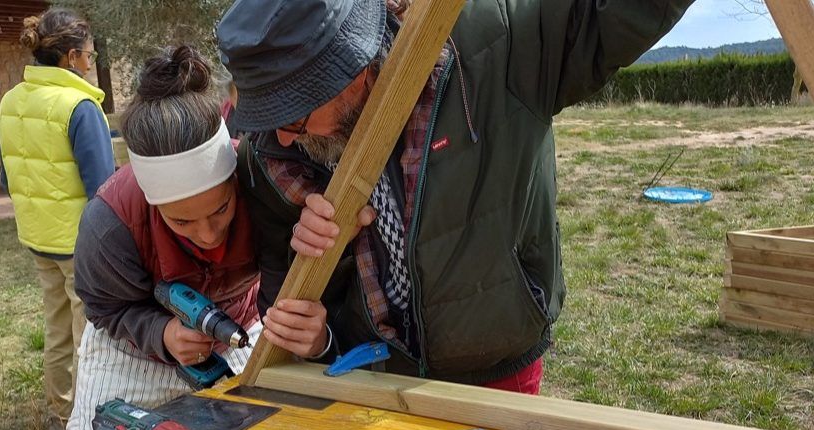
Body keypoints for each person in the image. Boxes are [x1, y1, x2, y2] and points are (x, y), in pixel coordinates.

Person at [218, 0, 692, 393]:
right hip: (367, 381)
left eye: (294, 114)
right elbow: (286, 305)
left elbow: (630, 13)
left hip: (495, 369)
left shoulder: (504, 42)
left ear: (356, 69)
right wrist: (321, 328)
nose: (280, 137)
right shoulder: (276, 152)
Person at [17, 46, 312, 430]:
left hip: (234, 327)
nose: (206, 234)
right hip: (128, 344)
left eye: (220, 212)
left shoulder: (262, 184)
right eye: (182, 222)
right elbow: (103, 306)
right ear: (152, 202)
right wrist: (159, 331)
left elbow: (282, 281)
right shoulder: (110, 220)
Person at [0, 7, 115, 430]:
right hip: (80, 241)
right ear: (69, 57)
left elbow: (11, 174)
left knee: (56, 326)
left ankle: (58, 415)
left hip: (38, 236)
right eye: (88, 54)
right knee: (89, 335)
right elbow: (103, 189)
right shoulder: (80, 106)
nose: (92, 61)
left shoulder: (11, 100)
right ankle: (86, 418)